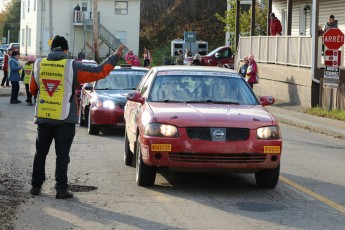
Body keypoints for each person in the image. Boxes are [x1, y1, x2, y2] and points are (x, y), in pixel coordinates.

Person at [29, 35, 125, 199]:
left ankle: (36, 187)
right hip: (65, 118)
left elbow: (32, 89)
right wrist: (115, 56)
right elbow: (98, 72)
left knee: (40, 153)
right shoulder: (71, 66)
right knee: (62, 155)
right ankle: (60, 189)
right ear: (66, 50)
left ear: (51, 49)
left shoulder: (39, 64)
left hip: (44, 117)